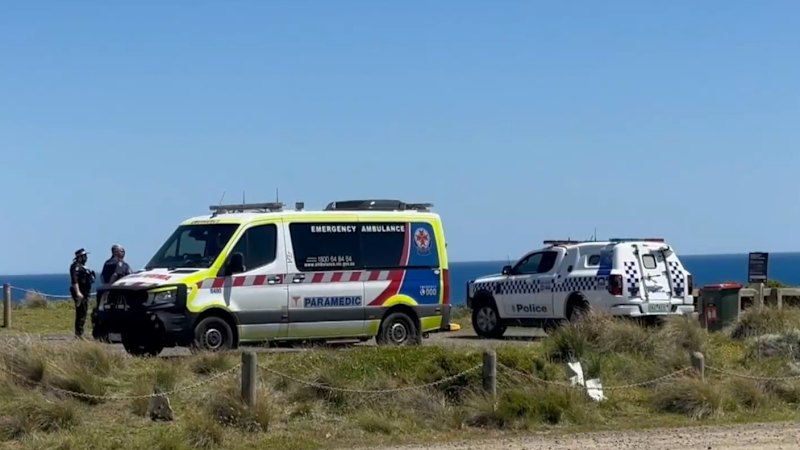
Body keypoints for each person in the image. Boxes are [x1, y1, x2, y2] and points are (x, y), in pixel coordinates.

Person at [69, 248, 96, 339]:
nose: (86, 258)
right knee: (81, 312)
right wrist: (78, 292)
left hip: (85, 292)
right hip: (80, 292)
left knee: (83, 312)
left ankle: (80, 332)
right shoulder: (75, 267)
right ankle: (79, 333)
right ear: (79, 257)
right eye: (84, 256)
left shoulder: (84, 267)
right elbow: (74, 280)